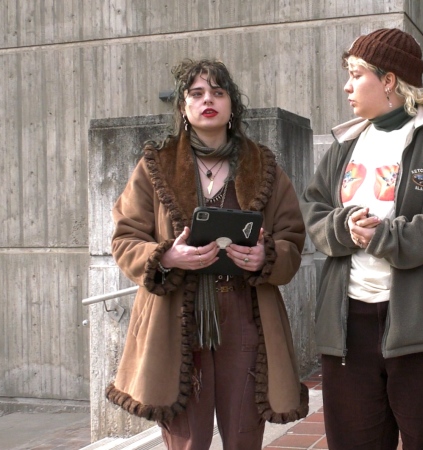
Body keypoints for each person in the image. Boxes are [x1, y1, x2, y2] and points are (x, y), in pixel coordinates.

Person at [107, 58, 308, 450]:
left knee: (244, 435)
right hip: (176, 319)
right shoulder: (156, 165)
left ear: (233, 104)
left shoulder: (262, 164)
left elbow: (292, 238)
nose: (208, 100)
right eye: (196, 93)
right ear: (183, 107)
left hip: (247, 316)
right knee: (187, 440)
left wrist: (266, 255)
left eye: (218, 92)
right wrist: (166, 257)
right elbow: (125, 238)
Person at [300, 28, 423, 450]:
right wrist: (342, 227)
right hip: (349, 326)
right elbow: (313, 210)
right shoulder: (344, 145)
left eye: (356, 74)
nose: (347, 86)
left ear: (388, 81)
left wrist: (389, 236)